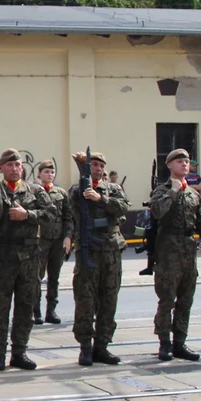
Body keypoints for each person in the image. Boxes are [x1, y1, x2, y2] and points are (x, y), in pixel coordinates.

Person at [0, 148, 47, 371]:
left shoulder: (35, 190)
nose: (14, 168)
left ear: (23, 167)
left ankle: (20, 352)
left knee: (25, 307)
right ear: (1, 169)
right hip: (2, 258)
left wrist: (27, 215)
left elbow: (51, 215)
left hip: (29, 259)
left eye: (17, 165)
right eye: (9, 165)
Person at [149, 149, 201, 361]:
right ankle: (164, 343)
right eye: (180, 161)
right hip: (168, 251)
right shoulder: (162, 190)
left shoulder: (194, 194)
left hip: (188, 250)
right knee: (167, 300)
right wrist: (173, 192)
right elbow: (158, 212)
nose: (184, 165)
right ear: (169, 165)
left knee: (186, 299)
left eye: (186, 162)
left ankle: (180, 342)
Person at [68, 150, 130, 366]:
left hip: (111, 253)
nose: (98, 168)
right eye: (93, 165)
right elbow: (72, 204)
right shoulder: (78, 190)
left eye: (100, 166)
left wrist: (100, 198)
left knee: (109, 300)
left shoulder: (113, 189)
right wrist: (83, 178)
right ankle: (85, 347)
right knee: (85, 300)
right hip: (89, 251)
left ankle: (102, 346)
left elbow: (123, 206)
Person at [33, 160, 71, 325]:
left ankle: (51, 310)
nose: (49, 174)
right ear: (39, 174)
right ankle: (36, 311)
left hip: (57, 240)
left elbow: (68, 217)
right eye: (46, 171)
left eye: (52, 172)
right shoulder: (34, 192)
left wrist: (68, 237)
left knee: (54, 277)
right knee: (36, 277)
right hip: (40, 240)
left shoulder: (61, 193)